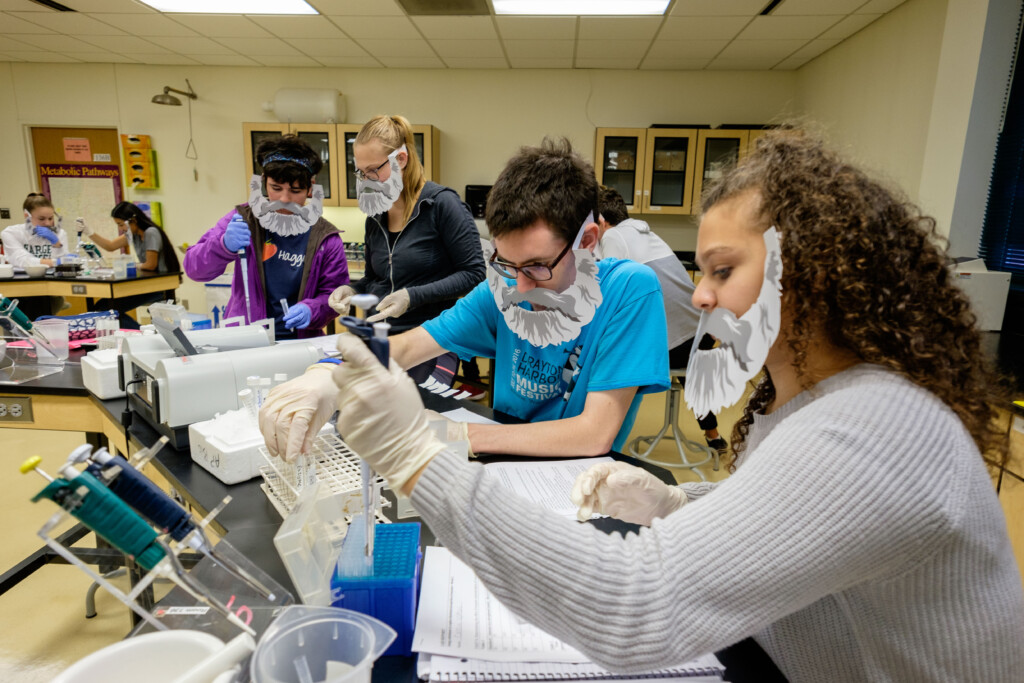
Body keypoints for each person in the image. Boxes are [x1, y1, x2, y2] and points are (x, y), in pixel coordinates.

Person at [324, 130, 1024, 682]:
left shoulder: (874, 429)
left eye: (722, 270)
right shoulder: (825, 404)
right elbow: (799, 534)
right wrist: (684, 506)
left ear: (804, 272)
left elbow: (636, 606)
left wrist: (420, 456)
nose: (702, 297)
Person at [262, 138, 670, 461]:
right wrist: (328, 377)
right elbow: (407, 346)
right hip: (503, 464)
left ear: (586, 241)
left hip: (577, 481)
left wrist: (458, 434)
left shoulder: (631, 291)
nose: (521, 288)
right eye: (508, 264)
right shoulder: (502, 288)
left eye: (537, 266)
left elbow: (593, 434)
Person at [327, 114, 485, 382]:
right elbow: (375, 278)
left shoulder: (441, 206)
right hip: (378, 335)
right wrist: (352, 290)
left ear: (400, 159)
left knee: (412, 413)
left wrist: (413, 296)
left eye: (374, 171)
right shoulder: (375, 215)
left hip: (431, 339)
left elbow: (474, 274)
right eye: (361, 172)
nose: (367, 180)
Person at [596, 185, 727, 455]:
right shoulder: (645, 232)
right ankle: (713, 435)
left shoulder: (613, 238)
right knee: (692, 378)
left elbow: (611, 298)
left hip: (677, 342)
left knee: (616, 362)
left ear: (600, 221)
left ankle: (604, 441)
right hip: (702, 333)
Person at [184, 134, 348, 340]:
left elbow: (334, 296)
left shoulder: (326, 238)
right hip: (246, 340)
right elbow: (194, 269)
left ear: (310, 188)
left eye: (295, 191)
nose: (284, 199)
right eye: (276, 188)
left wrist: (312, 309)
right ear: (263, 182)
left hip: (300, 344)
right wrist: (223, 245)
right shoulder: (244, 220)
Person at [78, 202, 180, 329]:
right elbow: (110, 246)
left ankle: (139, 333)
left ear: (133, 220)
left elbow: (150, 265)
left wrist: (132, 265)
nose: (121, 229)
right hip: (147, 284)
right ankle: (138, 332)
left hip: (158, 286)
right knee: (101, 308)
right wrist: (89, 231)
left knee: (106, 309)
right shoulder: (134, 234)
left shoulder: (151, 232)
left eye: (121, 225)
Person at [2, 193, 68, 268]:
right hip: (23, 278)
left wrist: (57, 244)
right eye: (41, 219)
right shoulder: (11, 233)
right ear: (27, 216)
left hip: (53, 278)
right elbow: (22, 260)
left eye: (50, 218)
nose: (48, 223)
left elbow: (65, 265)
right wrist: (56, 262)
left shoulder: (60, 234)